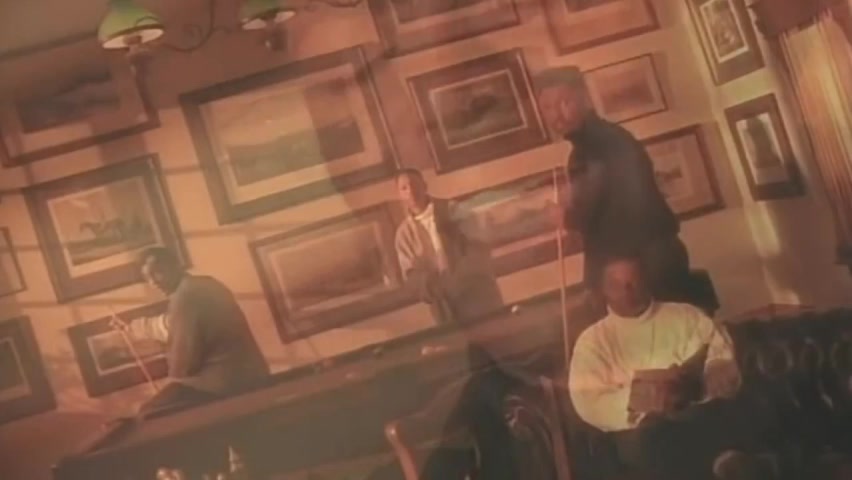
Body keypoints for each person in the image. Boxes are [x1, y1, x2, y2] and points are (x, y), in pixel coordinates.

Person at [568, 255, 780, 480]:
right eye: (617, 285)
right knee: (656, 440)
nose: (628, 291)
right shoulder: (593, 341)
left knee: (746, 408)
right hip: (642, 431)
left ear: (645, 280)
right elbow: (586, 398)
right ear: (604, 291)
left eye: (633, 282)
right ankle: (727, 464)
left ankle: (734, 464)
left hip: (699, 411)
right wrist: (637, 399)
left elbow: (719, 352)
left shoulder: (685, 315)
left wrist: (708, 376)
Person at [534, 66, 691, 303]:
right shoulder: (594, 143)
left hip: (645, 265)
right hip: (640, 261)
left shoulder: (599, 143)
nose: (556, 115)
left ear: (585, 99)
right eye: (547, 107)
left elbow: (596, 210)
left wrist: (564, 216)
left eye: (564, 102)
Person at [112, 247, 270, 416]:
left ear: (175, 265)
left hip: (225, 385)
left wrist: (172, 374)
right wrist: (132, 327)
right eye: (147, 278)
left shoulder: (185, 297)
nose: (153, 282)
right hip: (253, 373)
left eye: (157, 272)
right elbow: (171, 324)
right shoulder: (204, 284)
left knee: (148, 413)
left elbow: (184, 365)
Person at [394, 168, 503, 324]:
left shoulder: (454, 210)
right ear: (399, 195)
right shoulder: (404, 235)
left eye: (414, 184)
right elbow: (412, 277)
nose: (411, 191)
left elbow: (479, 248)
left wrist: (460, 279)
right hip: (445, 308)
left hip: (480, 297)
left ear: (424, 186)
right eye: (404, 188)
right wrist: (435, 287)